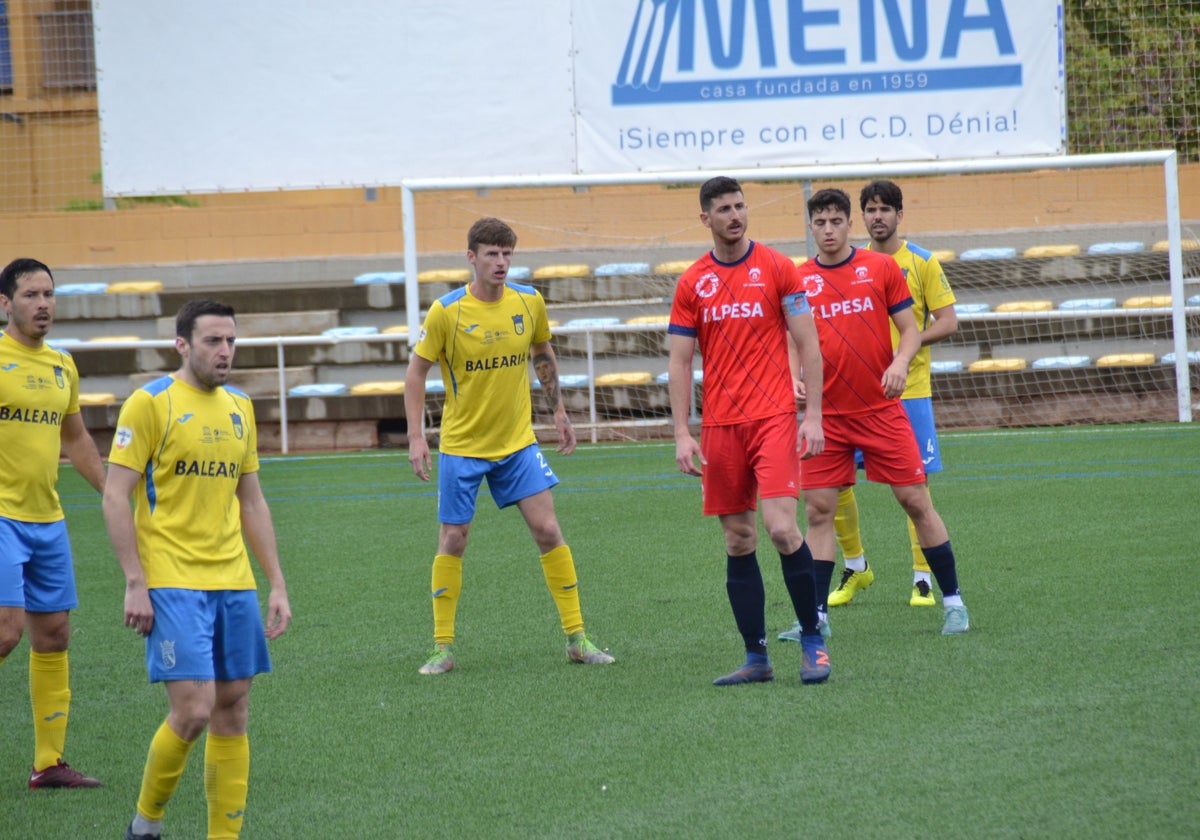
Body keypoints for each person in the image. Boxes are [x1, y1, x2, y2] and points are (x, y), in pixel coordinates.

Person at [102, 300, 292, 840]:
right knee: (193, 710)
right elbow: (116, 496)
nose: (225, 351)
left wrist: (275, 581)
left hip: (232, 581)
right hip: (171, 580)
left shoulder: (240, 407)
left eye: (231, 341)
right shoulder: (150, 404)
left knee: (233, 709)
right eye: (213, 341)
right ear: (182, 344)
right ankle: (145, 825)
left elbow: (251, 501)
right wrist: (135, 581)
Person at [405, 217, 614, 674]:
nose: (500, 263)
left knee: (548, 531)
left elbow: (542, 351)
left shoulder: (529, 300)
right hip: (462, 446)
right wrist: (417, 436)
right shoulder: (447, 312)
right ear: (471, 258)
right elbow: (416, 372)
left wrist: (558, 410)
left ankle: (578, 638)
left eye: (507, 254)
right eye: (491, 255)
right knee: (453, 539)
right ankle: (442, 647)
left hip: (518, 443)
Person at [667, 175, 831, 687]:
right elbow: (679, 361)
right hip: (720, 425)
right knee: (739, 539)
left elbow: (809, 346)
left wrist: (814, 416)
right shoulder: (693, 281)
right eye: (724, 209)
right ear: (706, 218)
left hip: (775, 417)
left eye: (740, 206)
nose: (735, 215)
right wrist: (681, 432)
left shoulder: (779, 268)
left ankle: (811, 638)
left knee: (782, 528)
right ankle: (756, 657)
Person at [779, 179, 958, 641]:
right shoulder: (797, 279)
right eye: (819, 223)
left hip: (881, 409)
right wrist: (793, 374)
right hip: (827, 417)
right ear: (812, 227)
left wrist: (900, 362)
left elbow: (911, 328)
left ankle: (953, 602)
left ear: (849, 223)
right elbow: (793, 338)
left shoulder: (880, 268)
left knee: (915, 500)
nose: (828, 230)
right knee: (819, 512)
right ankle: (815, 618)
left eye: (836, 221)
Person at [0, 257, 107, 789]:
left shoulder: (63, 365)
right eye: (29, 295)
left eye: (48, 294)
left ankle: (48, 764)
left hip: (47, 519)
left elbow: (76, 439)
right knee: (5, 631)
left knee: (54, 635)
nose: (43, 304)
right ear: (5, 304)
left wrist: (116, 493)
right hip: (0, 517)